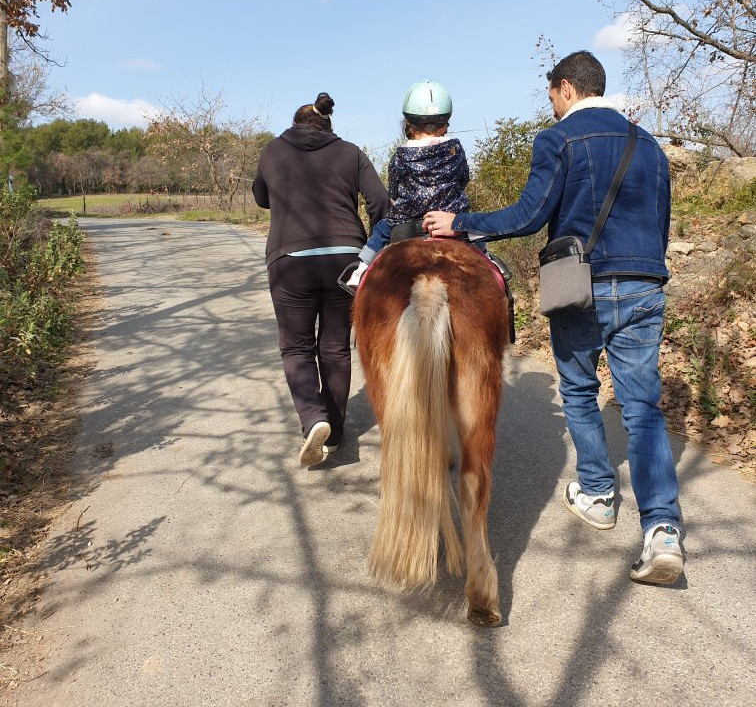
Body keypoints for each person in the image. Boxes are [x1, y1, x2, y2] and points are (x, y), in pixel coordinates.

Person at [423, 51, 684, 585]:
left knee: (581, 390)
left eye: (551, 96)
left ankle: (597, 494)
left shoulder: (559, 139)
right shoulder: (650, 145)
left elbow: (529, 215)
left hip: (578, 283)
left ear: (566, 88)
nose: (552, 106)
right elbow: (660, 221)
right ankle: (663, 532)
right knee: (643, 408)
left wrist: (460, 222)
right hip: (643, 283)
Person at [253, 92, 389, 467]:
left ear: (295, 124)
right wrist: (373, 245)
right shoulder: (350, 152)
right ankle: (337, 432)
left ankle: (314, 418)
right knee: (335, 347)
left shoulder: (271, 151)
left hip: (289, 259)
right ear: (328, 124)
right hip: (345, 260)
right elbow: (380, 202)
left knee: (296, 347)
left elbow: (261, 198)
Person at [345, 80, 483, 289]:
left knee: (382, 229)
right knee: (476, 235)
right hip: (449, 219)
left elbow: (394, 191)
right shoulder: (456, 149)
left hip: (406, 221)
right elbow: (463, 179)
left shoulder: (401, 155)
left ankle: (361, 268)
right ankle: (491, 262)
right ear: (445, 123)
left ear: (409, 123)